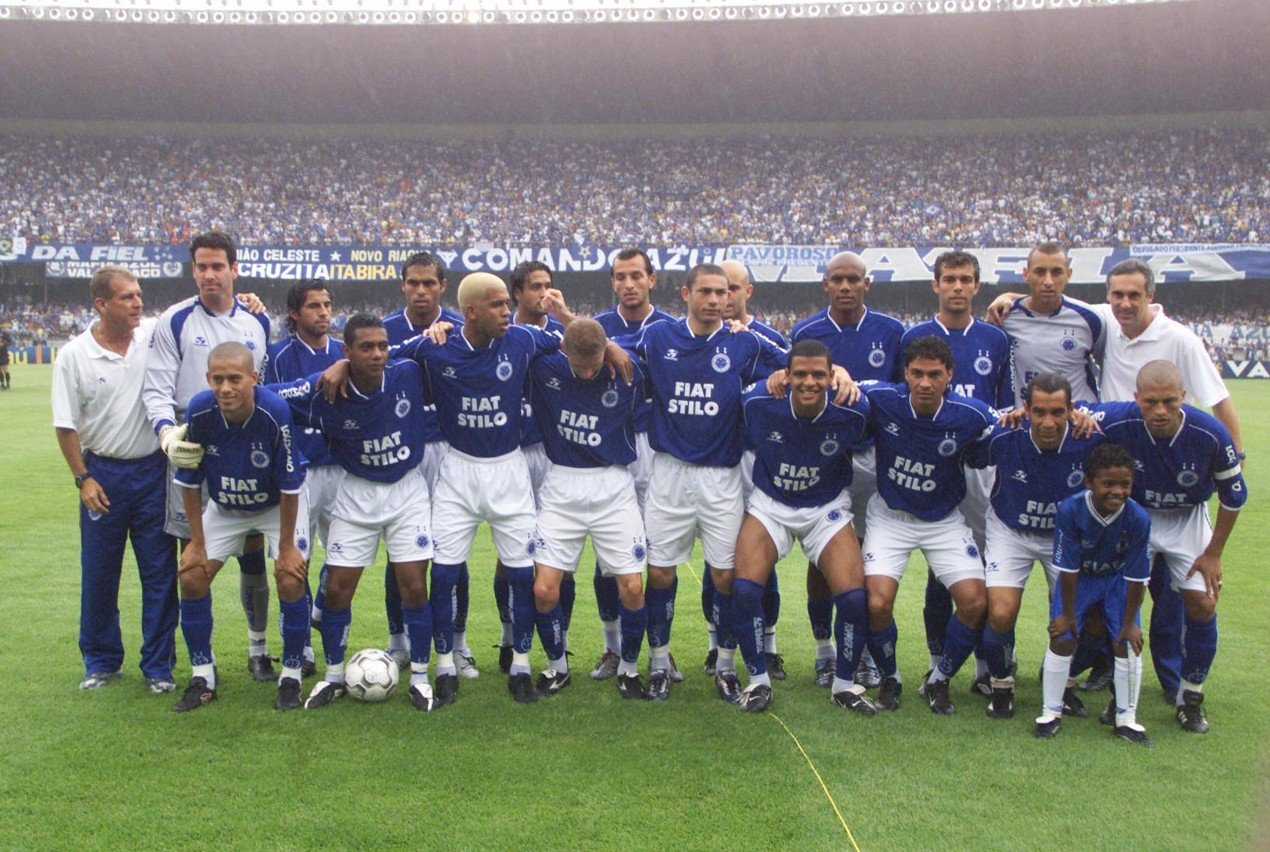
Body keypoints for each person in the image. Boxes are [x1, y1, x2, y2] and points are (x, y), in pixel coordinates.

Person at [987, 258, 1244, 695]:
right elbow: (1054, 299)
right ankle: (1106, 667)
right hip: (1123, 484)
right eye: (1117, 295)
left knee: (1179, 599)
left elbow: (1218, 401)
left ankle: (1181, 686)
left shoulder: (1178, 339)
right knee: (1110, 588)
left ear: (1151, 297)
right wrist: (1012, 297)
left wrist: (1231, 456)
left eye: (1134, 295)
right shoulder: (1104, 318)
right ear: (1108, 297)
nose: (1125, 303)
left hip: (1175, 499)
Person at [388, 272, 628, 703]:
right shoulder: (434, 345)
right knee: (442, 574)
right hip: (457, 471)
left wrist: (607, 344)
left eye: (506, 303)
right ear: (471, 311)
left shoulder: (522, 339)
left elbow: (579, 341)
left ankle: (520, 664)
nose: (507, 311)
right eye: (498, 304)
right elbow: (381, 358)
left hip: (509, 469)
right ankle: (445, 666)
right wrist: (339, 364)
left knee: (521, 574)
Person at [620, 263, 788, 702]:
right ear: (686, 294)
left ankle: (726, 665)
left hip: (721, 477)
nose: (716, 300)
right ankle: (659, 662)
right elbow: (610, 349)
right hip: (669, 474)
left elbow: (796, 361)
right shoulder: (658, 337)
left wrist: (789, 374)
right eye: (707, 292)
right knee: (659, 573)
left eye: (722, 292)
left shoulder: (743, 341)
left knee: (726, 575)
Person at [273, 315, 440, 711]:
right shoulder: (324, 390)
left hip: (406, 491)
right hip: (356, 494)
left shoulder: (406, 371)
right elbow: (270, 395)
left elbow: (423, 341)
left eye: (381, 345)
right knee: (336, 589)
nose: (377, 354)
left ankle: (419, 675)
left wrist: (435, 332)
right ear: (346, 351)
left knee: (414, 584)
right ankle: (332, 675)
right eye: (365, 348)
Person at [142, 232, 278, 682]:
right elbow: (157, 387)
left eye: (217, 266)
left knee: (253, 552)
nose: (208, 274)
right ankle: (204, 665)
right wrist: (167, 435)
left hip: (244, 447)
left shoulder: (258, 322)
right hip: (193, 443)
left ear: (234, 270)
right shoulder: (174, 320)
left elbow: (264, 389)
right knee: (194, 558)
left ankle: (258, 650)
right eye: (201, 266)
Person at [1081, 361, 1246, 733]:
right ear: (1136, 398)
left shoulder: (1210, 432)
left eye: (1169, 402)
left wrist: (1213, 554)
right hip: (1136, 517)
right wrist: (1077, 418)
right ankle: (1122, 694)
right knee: (1122, 605)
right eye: (1150, 401)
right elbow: (1072, 410)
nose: (1159, 411)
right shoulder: (1119, 418)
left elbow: (1234, 497)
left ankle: (1191, 697)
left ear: (1183, 398)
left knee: (1202, 603)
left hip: (1187, 519)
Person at [51, 266, 178, 693]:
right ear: (101, 304)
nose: (137, 303)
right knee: (100, 572)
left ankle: (158, 667)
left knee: (160, 572)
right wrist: (82, 479)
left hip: (152, 471)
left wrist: (247, 298)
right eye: (126, 297)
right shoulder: (74, 355)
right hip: (102, 472)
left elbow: (195, 308)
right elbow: (65, 425)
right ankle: (101, 661)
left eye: (139, 295)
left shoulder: (153, 335)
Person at [733, 340, 873, 714]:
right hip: (771, 505)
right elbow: (742, 393)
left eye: (818, 374)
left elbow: (884, 398)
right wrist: (766, 382)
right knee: (745, 590)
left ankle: (844, 685)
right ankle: (758, 681)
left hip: (825, 508)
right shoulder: (760, 403)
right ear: (786, 375)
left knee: (854, 598)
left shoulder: (854, 408)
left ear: (831, 376)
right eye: (800, 374)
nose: (809, 382)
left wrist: (849, 376)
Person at [170, 342, 310, 712]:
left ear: (254, 378)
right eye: (218, 379)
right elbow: (187, 480)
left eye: (234, 378)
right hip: (225, 506)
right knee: (191, 575)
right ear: (207, 379)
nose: (226, 388)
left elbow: (290, 485)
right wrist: (196, 542)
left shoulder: (274, 411)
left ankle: (292, 675)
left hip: (275, 506)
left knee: (291, 578)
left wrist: (286, 549)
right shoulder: (200, 410)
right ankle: (203, 675)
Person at [858, 336, 994, 715]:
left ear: (950, 375)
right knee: (877, 602)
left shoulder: (973, 414)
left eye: (935, 374)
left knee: (974, 602)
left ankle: (939, 679)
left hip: (943, 521)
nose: (925, 383)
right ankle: (890, 678)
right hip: (890, 517)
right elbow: (847, 388)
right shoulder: (883, 399)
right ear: (905, 373)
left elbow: (1009, 427)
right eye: (917, 373)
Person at [902, 250, 1013, 697]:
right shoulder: (915, 336)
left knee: (987, 570)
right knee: (938, 572)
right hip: (937, 467)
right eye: (949, 279)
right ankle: (936, 663)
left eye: (966, 279)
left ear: (976, 285)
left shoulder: (995, 339)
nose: (958, 287)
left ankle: (987, 664)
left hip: (982, 470)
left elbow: (1004, 408)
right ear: (936, 284)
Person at [790, 251, 904, 687]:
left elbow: (902, 389)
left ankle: (865, 654)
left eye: (853, 279)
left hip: (875, 458)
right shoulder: (807, 332)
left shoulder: (892, 332)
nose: (845, 286)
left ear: (866, 283)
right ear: (825, 284)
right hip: (826, 456)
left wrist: (862, 386)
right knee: (823, 560)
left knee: (865, 565)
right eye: (837, 279)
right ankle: (824, 650)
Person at [965, 372, 1104, 719]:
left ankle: (1060, 682)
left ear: (1072, 410)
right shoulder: (1006, 435)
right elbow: (971, 454)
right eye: (1038, 411)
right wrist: (1000, 422)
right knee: (1000, 611)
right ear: (1026, 409)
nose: (1047, 422)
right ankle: (1001, 685)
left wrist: (1089, 417)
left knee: (1077, 620)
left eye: (1057, 412)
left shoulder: (1089, 438)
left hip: (1066, 537)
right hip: (1010, 531)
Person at [526, 319, 649, 699]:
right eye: (581, 366)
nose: (589, 373)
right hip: (562, 486)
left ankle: (628, 670)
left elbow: (656, 344)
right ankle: (557, 667)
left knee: (631, 586)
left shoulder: (627, 370)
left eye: (595, 364)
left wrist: (612, 345)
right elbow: (518, 335)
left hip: (613, 486)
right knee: (545, 590)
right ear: (565, 351)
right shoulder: (543, 368)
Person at [381, 252, 475, 677]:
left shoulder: (461, 325)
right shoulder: (385, 330)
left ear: (442, 285)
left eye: (429, 284)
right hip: (402, 450)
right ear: (403, 285)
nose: (421, 291)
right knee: (401, 555)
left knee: (452, 553)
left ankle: (457, 644)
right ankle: (398, 641)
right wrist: (422, 342)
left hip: (448, 449)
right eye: (413, 283)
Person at [589, 248, 678, 682]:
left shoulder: (672, 330)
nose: (629, 283)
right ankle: (612, 646)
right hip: (612, 452)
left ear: (651, 280)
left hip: (658, 451)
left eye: (636, 276)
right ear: (613, 282)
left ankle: (661, 647)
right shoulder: (597, 328)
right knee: (610, 559)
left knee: (662, 558)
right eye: (621, 276)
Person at [703, 259, 787, 680]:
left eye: (733, 288)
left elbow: (799, 371)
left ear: (747, 291)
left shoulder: (765, 339)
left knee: (759, 556)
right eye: (718, 289)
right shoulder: (704, 338)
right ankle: (715, 641)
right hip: (718, 460)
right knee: (716, 559)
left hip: (756, 457)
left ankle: (767, 643)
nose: (725, 297)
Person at [1035, 443, 1152, 747]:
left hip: (1117, 581)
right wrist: (1068, 615)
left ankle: (1127, 719)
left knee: (1127, 643)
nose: (1117, 491)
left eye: (1125, 484)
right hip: (1083, 579)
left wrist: (1130, 624)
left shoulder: (1138, 518)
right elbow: (1068, 570)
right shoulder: (1071, 510)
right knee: (1062, 637)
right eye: (1108, 484)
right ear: (1089, 482)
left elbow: (1137, 576)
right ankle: (1050, 712)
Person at [492, 260, 569, 674]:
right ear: (517, 293)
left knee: (559, 552)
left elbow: (592, 345)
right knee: (511, 556)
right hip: (510, 455)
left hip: (550, 453)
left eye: (549, 286)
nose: (544, 293)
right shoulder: (498, 332)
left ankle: (562, 641)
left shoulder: (557, 336)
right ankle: (508, 638)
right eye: (536, 286)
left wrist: (565, 315)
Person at [265, 280, 339, 678]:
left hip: (341, 467)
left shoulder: (344, 352)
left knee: (343, 557)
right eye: (314, 306)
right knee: (294, 561)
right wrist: (310, 385)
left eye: (327, 305)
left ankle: (319, 609)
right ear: (295, 314)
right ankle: (302, 649)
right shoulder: (277, 355)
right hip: (296, 472)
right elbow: (268, 397)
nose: (324, 312)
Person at [999, 242, 1104, 405]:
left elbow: (1108, 364)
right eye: (1039, 272)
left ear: (1068, 275)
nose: (1048, 281)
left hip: (1079, 422)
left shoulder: (1090, 319)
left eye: (1056, 272)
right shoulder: (1004, 316)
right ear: (1025, 274)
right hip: (1027, 420)